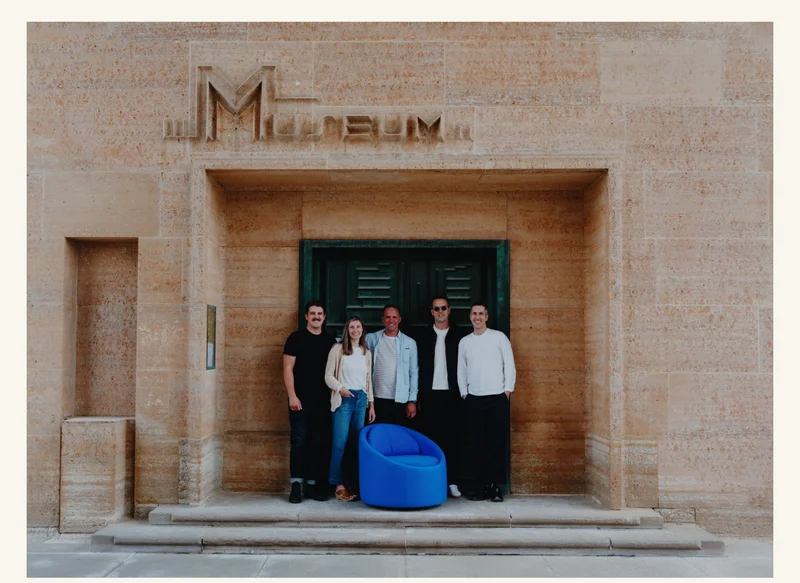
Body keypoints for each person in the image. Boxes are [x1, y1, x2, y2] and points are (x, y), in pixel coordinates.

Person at [457, 301, 516, 503]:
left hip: (497, 397)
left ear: (487, 316)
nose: (478, 317)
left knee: (496, 443)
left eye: (481, 313)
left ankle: (495, 487)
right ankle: (479, 487)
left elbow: (509, 365)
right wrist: (464, 393)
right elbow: (461, 370)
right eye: (474, 314)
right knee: (475, 444)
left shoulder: (499, 338)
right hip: (473, 399)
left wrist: (507, 390)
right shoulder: (465, 342)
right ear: (470, 317)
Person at [283, 300, 337, 503]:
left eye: (319, 313)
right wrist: (292, 395)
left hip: (323, 401)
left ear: (324, 317)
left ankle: (313, 485)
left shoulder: (330, 341)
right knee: (299, 441)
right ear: (306, 316)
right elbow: (287, 368)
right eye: (312, 313)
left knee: (318, 442)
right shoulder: (295, 338)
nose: (316, 316)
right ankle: (296, 484)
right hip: (300, 400)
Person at [417, 295, 465, 499]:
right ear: (431, 312)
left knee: (453, 438)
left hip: (453, 394)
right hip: (429, 395)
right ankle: (432, 481)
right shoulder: (423, 336)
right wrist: (416, 397)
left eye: (443, 308)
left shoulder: (460, 336)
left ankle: (452, 481)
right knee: (430, 438)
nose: (440, 312)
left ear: (449, 310)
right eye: (436, 308)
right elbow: (416, 368)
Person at [325, 317, 376, 502]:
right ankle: (338, 484)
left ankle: (353, 483)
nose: (355, 330)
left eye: (358, 327)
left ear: (362, 330)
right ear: (347, 330)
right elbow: (328, 376)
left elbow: (368, 380)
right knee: (340, 444)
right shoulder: (338, 349)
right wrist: (341, 388)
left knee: (356, 444)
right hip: (344, 399)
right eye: (352, 327)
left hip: (361, 400)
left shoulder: (366, 352)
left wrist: (371, 404)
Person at [365, 305, 419, 427]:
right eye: (388, 317)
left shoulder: (410, 343)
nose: (391, 320)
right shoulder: (371, 339)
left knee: (398, 434)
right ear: (382, 319)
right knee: (378, 433)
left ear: (399, 319)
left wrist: (412, 400)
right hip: (376, 399)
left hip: (400, 399)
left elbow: (414, 373)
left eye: (394, 317)